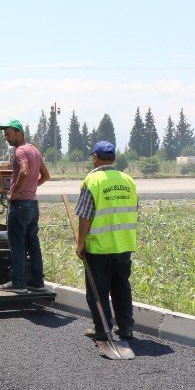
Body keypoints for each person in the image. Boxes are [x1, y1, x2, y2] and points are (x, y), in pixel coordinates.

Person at [74, 141, 139, 341]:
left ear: (95, 158)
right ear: (114, 159)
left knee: (98, 291)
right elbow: (135, 210)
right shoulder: (128, 180)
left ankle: (102, 330)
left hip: (99, 247)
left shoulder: (92, 181)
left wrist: (80, 242)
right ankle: (126, 328)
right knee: (121, 288)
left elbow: (85, 216)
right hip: (124, 245)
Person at [0, 119, 50, 292]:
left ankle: (18, 283)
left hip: (20, 205)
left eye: (9, 134)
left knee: (17, 244)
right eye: (5, 135)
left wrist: (15, 194)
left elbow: (25, 171)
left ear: (19, 132)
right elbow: (46, 175)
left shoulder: (20, 151)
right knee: (33, 243)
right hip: (33, 205)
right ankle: (38, 282)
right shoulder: (35, 150)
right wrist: (31, 188)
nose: (7, 138)